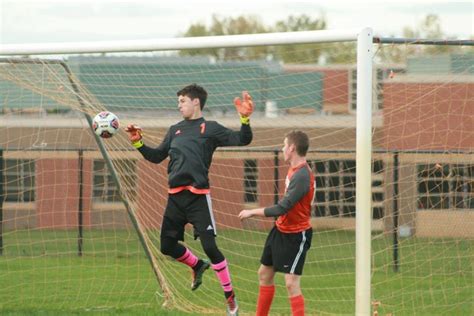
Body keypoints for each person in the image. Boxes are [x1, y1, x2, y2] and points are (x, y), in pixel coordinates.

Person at [126, 84, 254, 316]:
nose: (179, 105)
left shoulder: (211, 128)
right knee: (166, 247)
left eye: (182, 101)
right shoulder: (175, 129)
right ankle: (196, 264)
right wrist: (138, 142)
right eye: (178, 102)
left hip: (198, 199)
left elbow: (243, 140)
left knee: (210, 247)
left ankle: (231, 301)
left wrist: (244, 119)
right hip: (175, 199)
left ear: (196, 102)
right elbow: (156, 157)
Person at [238, 130, 314, 316]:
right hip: (280, 231)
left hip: (297, 234)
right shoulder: (294, 169)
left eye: (284, 145)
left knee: (291, 283)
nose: (282, 149)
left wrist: (251, 212)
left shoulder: (302, 176)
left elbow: (283, 207)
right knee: (264, 274)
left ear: (292, 148)